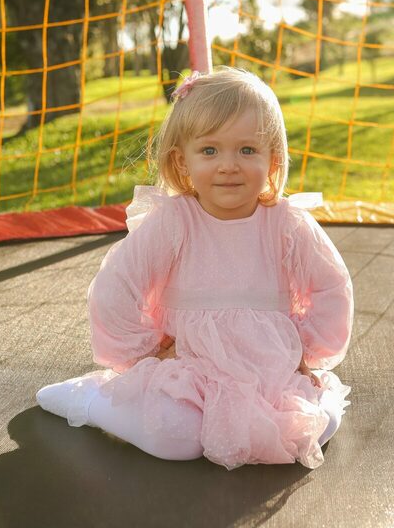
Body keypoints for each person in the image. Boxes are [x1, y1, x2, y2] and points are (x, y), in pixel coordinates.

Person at [35, 67, 353, 470]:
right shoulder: (174, 222)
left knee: (318, 426)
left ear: (273, 159)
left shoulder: (287, 225)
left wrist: (304, 351)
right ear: (181, 162)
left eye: (247, 150)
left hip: (266, 368)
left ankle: (262, 414)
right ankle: (92, 399)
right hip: (187, 366)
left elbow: (332, 287)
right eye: (209, 151)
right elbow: (116, 287)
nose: (228, 166)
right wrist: (146, 352)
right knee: (176, 438)